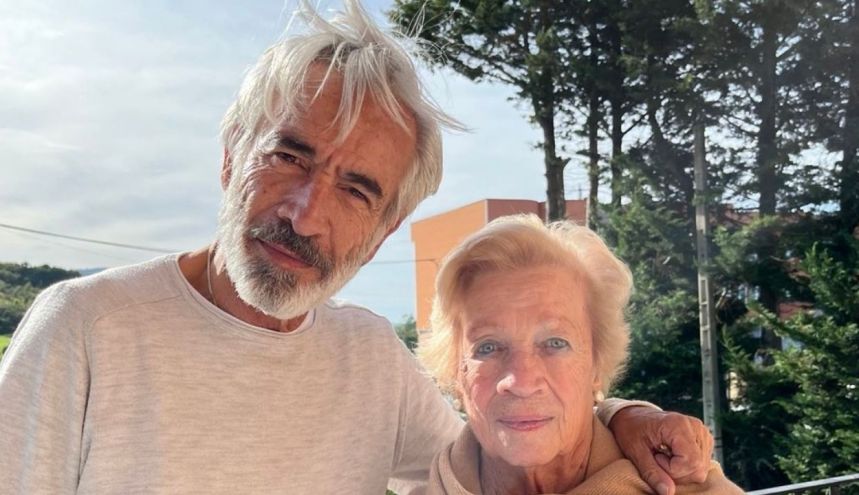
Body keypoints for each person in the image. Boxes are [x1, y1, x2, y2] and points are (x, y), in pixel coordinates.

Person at [0, 2, 713, 494]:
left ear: (382, 233)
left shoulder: (368, 356)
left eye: (357, 190)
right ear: (230, 155)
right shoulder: (86, 326)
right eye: (289, 156)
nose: (307, 216)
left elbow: (510, 427)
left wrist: (627, 417)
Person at [420, 214, 743, 494]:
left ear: (597, 365)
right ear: (455, 373)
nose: (521, 381)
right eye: (488, 347)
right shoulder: (442, 482)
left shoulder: (685, 485)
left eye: (555, 343)